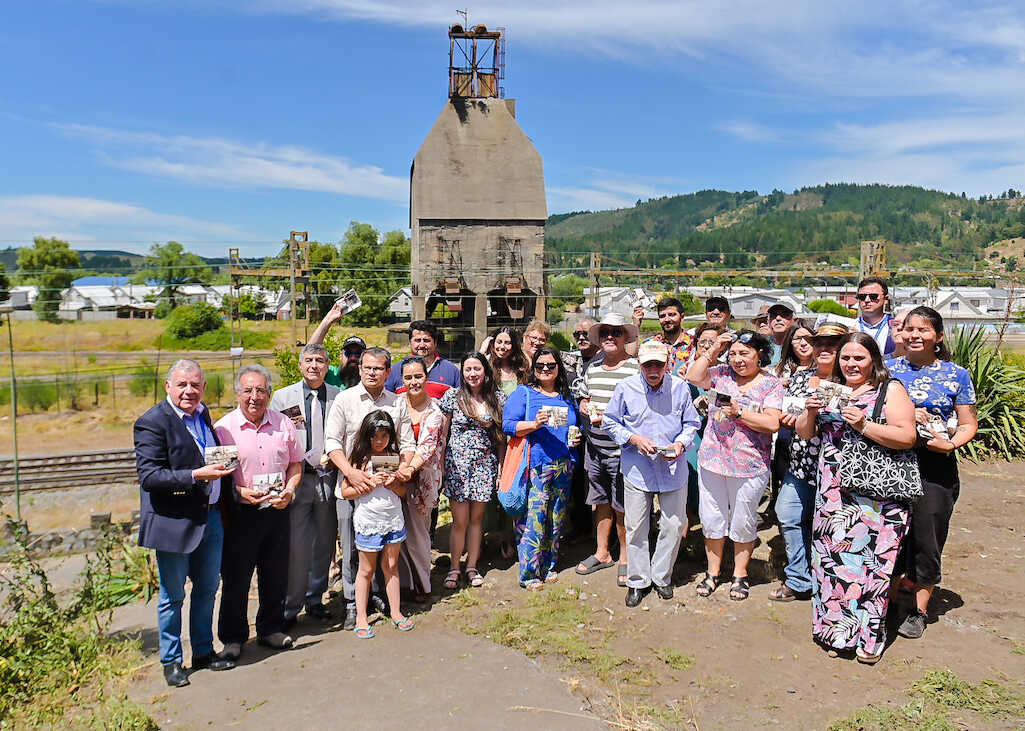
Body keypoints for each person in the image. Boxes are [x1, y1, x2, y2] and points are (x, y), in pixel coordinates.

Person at [796, 332, 917, 664]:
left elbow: (907, 436)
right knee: (833, 565)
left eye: (858, 358)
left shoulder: (889, 389)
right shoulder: (828, 389)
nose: (850, 364)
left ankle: (869, 638)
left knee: (871, 571)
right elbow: (806, 433)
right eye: (845, 358)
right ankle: (836, 632)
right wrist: (808, 411)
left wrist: (863, 424)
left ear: (873, 359)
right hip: (833, 493)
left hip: (876, 497)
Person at [134, 359, 237, 687]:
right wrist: (196, 475)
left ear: (203, 388)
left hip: (209, 519)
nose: (189, 391)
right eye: (182, 385)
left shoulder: (203, 413)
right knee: (173, 595)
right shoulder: (152, 422)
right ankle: (172, 661)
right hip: (175, 523)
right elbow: (149, 476)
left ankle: (204, 652)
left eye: (195, 385)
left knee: (207, 590)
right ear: (168, 386)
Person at [887, 307, 978, 641]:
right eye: (909, 329)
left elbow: (969, 423)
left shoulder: (956, 374)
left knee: (927, 537)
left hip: (934, 467)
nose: (914, 335)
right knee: (891, 535)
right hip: (890, 463)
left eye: (923, 330)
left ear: (938, 336)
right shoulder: (887, 369)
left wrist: (951, 444)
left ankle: (918, 609)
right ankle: (888, 601)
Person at [215, 365, 304, 661]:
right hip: (242, 514)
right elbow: (220, 476)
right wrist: (240, 492)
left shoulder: (283, 423)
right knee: (237, 577)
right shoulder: (224, 429)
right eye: (248, 390)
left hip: (277, 509)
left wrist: (289, 491)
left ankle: (270, 629)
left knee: (276, 573)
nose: (255, 397)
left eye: (261, 390)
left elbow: (295, 463)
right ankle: (232, 637)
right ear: (238, 393)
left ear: (269, 393)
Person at [603, 341, 701, 607]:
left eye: (659, 364)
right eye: (648, 365)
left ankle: (661, 576)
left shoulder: (680, 388)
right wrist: (633, 438)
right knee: (635, 526)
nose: (654, 370)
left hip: (672, 466)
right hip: (638, 467)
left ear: (667, 363)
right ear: (640, 365)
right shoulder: (626, 388)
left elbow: (692, 422)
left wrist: (681, 443)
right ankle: (637, 580)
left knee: (673, 524)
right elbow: (610, 421)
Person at [324, 347, 416, 630]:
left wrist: (402, 471)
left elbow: (408, 444)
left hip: (387, 484)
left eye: (378, 368)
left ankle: (379, 598)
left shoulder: (397, 402)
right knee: (352, 549)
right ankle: (352, 604)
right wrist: (351, 473)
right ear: (360, 368)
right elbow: (332, 442)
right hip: (352, 481)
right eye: (367, 368)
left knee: (386, 548)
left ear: (388, 372)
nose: (372, 373)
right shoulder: (345, 399)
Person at [687, 330, 782, 601]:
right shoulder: (721, 374)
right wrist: (715, 347)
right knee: (712, 518)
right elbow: (693, 376)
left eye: (746, 353)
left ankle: (740, 574)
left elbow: (772, 423)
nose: (738, 359)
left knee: (743, 520)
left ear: (760, 354)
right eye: (735, 353)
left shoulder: (771, 384)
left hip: (749, 465)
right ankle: (712, 572)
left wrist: (740, 413)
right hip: (712, 461)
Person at [768, 323, 846, 602]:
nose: (824, 349)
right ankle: (800, 578)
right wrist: (788, 420)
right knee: (788, 514)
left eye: (832, 344)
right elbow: (788, 414)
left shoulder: (851, 382)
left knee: (831, 528)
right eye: (820, 343)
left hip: (837, 471)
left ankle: (829, 584)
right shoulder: (801, 378)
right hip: (800, 463)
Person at [270, 344, 340, 628]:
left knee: (324, 542)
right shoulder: (282, 397)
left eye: (320, 361)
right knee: (297, 545)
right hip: (297, 478)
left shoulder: (338, 396)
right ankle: (291, 605)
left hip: (328, 476)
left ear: (327, 366)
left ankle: (315, 599)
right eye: (309, 360)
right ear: (300, 366)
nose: (314, 365)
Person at [502, 346, 581, 589]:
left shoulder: (566, 397)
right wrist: (534, 424)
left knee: (555, 519)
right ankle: (529, 574)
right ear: (534, 369)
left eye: (550, 365)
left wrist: (576, 438)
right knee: (533, 519)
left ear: (559, 368)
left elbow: (574, 426)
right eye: (540, 366)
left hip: (563, 465)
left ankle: (549, 565)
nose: (545, 369)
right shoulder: (524, 393)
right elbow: (508, 425)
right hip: (535, 465)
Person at [575, 313, 640, 587]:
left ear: (626, 337)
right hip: (596, 447)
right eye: (605, 333)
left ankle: (626, 557)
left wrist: (612, 419)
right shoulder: (595, 366)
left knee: (623, 506)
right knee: (600, 502)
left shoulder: (635, 369)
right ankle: (603, 552)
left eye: (616, 332)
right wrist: (584, 404)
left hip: (623, 451)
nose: (610, 337)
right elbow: (586, 395)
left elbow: (642, 412)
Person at [340, 410, 415, 638]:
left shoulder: (395, 457)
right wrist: (369, 484)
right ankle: (361, 617)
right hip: (368, 521)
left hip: (392, 519)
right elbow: (345, 492)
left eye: (384, 436)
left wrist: (394, 484)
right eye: (374, 436)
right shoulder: (358, 459)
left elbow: (403, 492)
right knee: (366, 569)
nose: (379, 441)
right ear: (366, 436)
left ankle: (396, 612)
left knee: (391, 566)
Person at [439, 352, 507, 589]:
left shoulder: (497, 398)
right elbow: (443, 435)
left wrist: (500, 468)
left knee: (477, 520)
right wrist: (441, 466)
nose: (472, 374)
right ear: (462, 372)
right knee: (460, 521)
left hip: (484, 466)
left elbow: (501, 439)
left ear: (485, 371)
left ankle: (472, 566)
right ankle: (454, 567)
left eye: (477, 369)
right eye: (468, 369)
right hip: (457, 465)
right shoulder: (452, 397)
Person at [393, 356, 446, 601]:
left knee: (418, 534)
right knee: (396, 533)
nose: (413, 382)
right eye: (408, 377)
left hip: (421, 478)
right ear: (402, 379)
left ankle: (422, 585)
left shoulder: (435, 411)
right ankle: (401, 583)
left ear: (426, 377)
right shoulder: (394, 404)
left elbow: (426, 447)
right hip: (395, 476)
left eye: (418, 376)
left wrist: (408, 469)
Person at [384, 320, 460, 393]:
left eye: (426, 340)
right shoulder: (395, 370)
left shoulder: (451, 370)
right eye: (417, 340)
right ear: (410, 343)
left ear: (435, 343)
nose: (422, 345)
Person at [307, 300, 365, 389]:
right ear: (341, 355)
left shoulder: (369, 379)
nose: (353, 358)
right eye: (348, 353)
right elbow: (310, 353)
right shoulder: (329, 374)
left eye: (358, 354)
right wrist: (327, 321)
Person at [635, 297, 694, 377]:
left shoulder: (695, 343)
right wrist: (636, 326)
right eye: (662, 316)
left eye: (671, 315)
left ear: (682, 317)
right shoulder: (650, 343)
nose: (666, 319)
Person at [854, 276, 895, 356]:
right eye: (862, 297)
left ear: (885, 299)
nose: (867, 300)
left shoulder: (896, 327)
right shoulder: (850, 326)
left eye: (873, 296)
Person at [486, 325, 529, 396]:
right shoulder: (487, 363)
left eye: (507, 343)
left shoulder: (522, 365)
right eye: (499, 342)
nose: (502, 347)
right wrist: (482, 350)